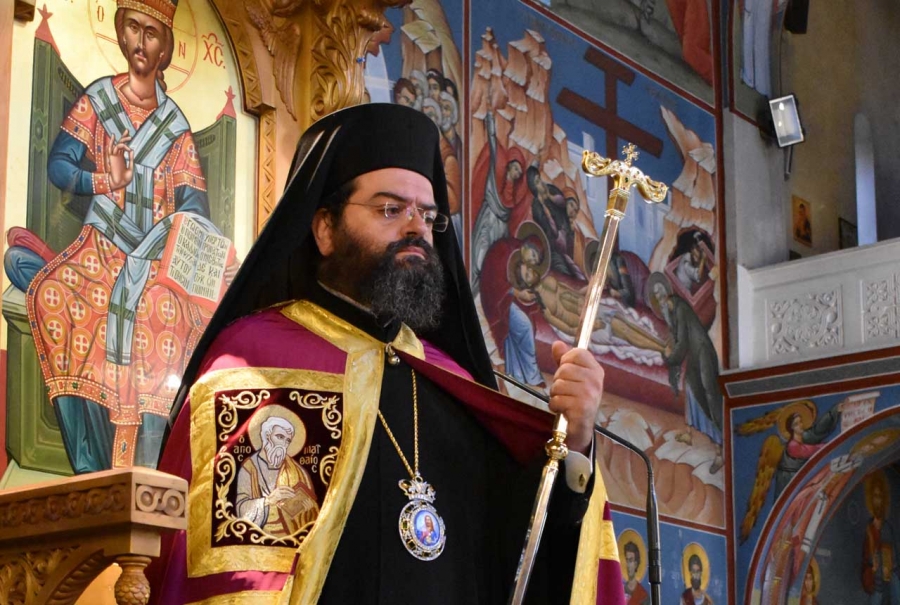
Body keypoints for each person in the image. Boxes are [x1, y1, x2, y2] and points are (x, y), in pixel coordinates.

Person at [149, 104, 620, 604]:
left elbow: (521, 556)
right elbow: (221, 580)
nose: (417, 228)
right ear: (324, 229)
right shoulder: (254, 363)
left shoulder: (451, 385)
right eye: (391, 210)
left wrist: (574, 442)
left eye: (428, 215)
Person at [17, 0, 236, 472]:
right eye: (133, 28)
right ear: (120, 32)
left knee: (156, 318)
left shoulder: (175, 128)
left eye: (151, 33)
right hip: (99, 246)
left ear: (165, 49)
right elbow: (59, 166)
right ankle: (87, 463)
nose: (140, 41)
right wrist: (104, 180)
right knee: (51, 295)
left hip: (152, 257)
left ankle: (143, 468)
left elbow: (194, 209)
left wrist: (177, 234)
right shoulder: (98, 100)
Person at [651, 274, 723, 473]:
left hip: (703, 354)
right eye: (656, 295)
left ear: (667, 292)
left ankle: (719, 450)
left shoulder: (680, 308)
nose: (659, 297)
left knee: (708, 397)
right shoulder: (672, 312)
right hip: (695, 354)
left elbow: (682, 342)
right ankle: (689, 433)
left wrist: (670, 357)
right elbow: (676, 338)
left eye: (660, 292)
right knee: (690, 388)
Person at [235, 415, 320, 537]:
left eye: (287, 441)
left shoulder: (296, 469)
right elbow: (241, 511)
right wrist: (268, 500)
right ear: (266, 436)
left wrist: (308, 511)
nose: (283, 444)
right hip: (260, 537)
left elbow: (313, 511)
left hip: (292, 535)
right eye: (280, 437)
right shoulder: (249, 468)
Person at [862, 475, 900, 604]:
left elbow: (895, 558)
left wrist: (890, 566)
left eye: (880, 496)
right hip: (877, 585)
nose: (877, 501)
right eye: (875, 496)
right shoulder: (869, 530)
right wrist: (873, 567)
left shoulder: (888, 528)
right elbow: (866, 561)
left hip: (891, 581)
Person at [623, 541, 650, 605]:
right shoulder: (620, 591)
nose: (628, 565)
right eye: (627, 560)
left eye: (631, 560)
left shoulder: (643, 596)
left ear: (636, 563)